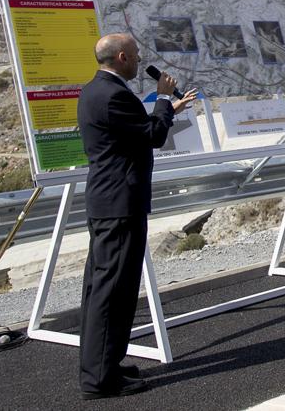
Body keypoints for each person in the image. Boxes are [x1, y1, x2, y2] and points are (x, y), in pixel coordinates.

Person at [77, 33, 196, 398]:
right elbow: (152, 136)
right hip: (119, 204)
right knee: (114, 292)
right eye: (137, 56)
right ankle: (99, 380)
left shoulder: (94, 91)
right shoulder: (113, 95)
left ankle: (104, 365)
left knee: (103, 289)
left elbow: (134, 132)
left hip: (108, 203)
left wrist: (166, 111)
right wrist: (162, 97)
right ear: (123, 57)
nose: (140, 60)